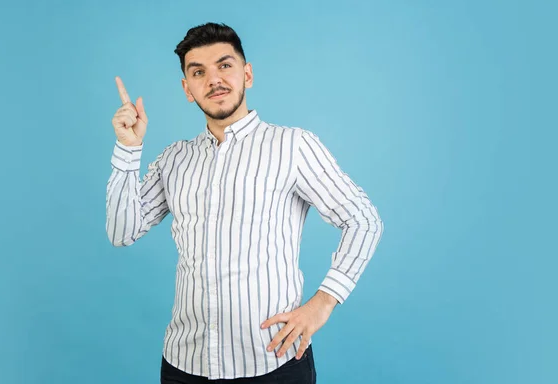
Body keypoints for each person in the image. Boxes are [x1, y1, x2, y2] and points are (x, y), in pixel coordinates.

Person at [106, 22, 383, 384]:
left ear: (247, 74)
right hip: (184, 365)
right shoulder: (174, 159)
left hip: (273, 363)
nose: (213, 80)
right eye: (198, 72)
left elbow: (364, 220)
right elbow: (121, 231)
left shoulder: (292, 146)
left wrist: (323, 304)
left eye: (225, 65)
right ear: (187, 89)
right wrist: (129, 148)